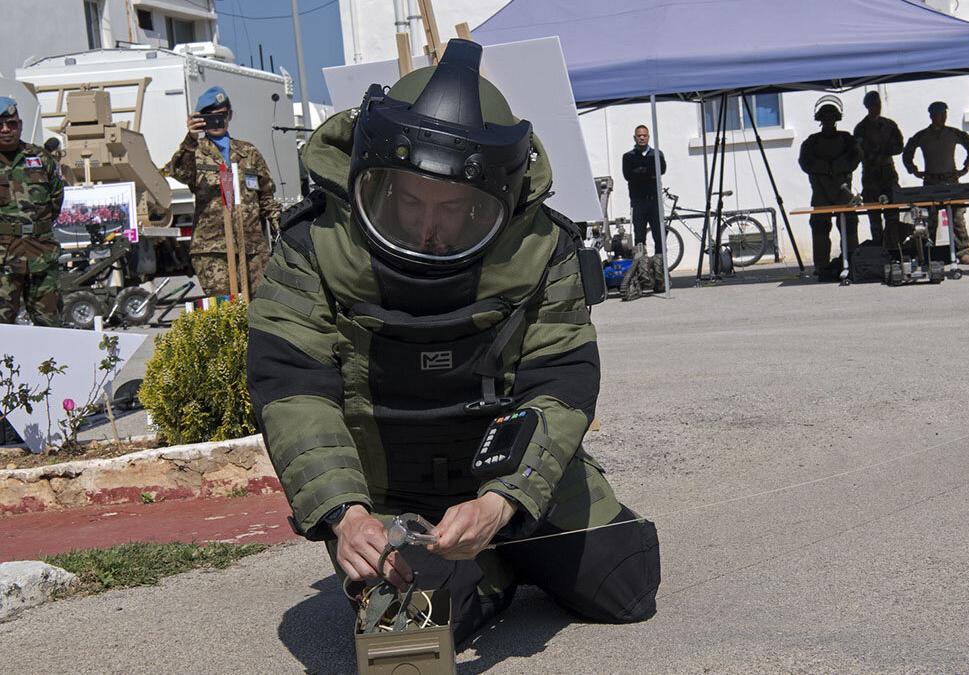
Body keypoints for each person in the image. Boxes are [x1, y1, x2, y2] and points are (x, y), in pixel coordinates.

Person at [246, 40, 660, 648]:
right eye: (409, 203)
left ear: (499, 197)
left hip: (506, 465)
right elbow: (292, 388)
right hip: (390, 491)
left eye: (457, 208)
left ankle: (509, 539)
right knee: (405, 645)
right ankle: (487, 573)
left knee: (628, 587)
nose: (429, 230)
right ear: (370, 175)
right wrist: (346, 514)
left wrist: (503, 500)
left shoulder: (543, 246)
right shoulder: (313, 246)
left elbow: (562, 384)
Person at [163, 86, 281, 296]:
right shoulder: (195, 152)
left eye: (222, 116)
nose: (217, 122)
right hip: (212, 248)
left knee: (260, 309)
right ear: (200, 119)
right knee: (225, 309)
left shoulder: (248, 152)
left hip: (252, 248)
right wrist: (190, 138)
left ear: (230, 115)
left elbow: (266, 196)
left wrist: (279, 224)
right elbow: (179, 172)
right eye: (210, 117)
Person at [0, 97, 64, 326]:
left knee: (51, 325)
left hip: (41, 254)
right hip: (3, 258)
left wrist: (36, 229)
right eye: (0, 125)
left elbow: (56, 199)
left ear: (20, 125)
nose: (6, 130)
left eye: (12, 124)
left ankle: (51, 364)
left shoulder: (39, 158)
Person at [902, 101, 969, 264]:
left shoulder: (953, 133)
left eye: (944, 114)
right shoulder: (922, 136)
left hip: (951, 180)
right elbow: (907, 152)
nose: (942, 118)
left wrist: (967, 167)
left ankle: (962, 251)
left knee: (957, 217)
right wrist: (913, 170)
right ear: (931, 116)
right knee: (929, 219)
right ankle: (928, 253)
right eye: (938, 114)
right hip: (931, 181)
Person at [799, 102, 862, 272]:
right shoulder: (812, 142)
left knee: (849, 226)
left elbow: (856, 157)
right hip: (820, 191)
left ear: (836, 119)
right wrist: (827, 168)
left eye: (831, 118)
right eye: (825, 118)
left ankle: (852, 261)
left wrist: (835, 167)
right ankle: (821, 266)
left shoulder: (847, 139)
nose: (828, 121)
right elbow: (805, 163)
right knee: (819, 227)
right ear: (820, 120)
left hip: (843, 192)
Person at [853, 90, 905, 246]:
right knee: (874, 216)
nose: (877, 107)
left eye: (878, 104)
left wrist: (884, 150)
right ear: (867, 106)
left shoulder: (889, 125)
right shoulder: (861, 128)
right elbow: (857, 151)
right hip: (870, 175)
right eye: (873, 104)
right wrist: (871, 153)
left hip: (888, 174)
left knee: (892, 215)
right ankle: (877, 248)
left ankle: (893, 248)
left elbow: (899, 146)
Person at [622, 125, 667, 255]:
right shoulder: (628, 156)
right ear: (634, 138)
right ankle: (642, 268)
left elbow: (661, 170)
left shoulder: (657, 154)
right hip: (638, 202)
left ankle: (661, 266)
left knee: (659, 236)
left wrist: (640, 170)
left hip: (654, 202)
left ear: (648, 137)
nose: (642, 138)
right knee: (640, 238)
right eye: (639, 135)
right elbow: (628, 175)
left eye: (644, 135)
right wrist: (648, 171)